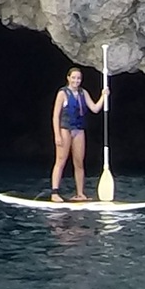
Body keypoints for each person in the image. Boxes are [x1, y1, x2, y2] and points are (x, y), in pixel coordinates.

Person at [49, 67, 107, 201]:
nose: (76, 80)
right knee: (61, 160)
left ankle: (80, 194)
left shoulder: (83, 92)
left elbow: (95, 108)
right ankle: (55, 193)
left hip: (79, 130)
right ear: (68, 78)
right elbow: (55, 116)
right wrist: (57, 135)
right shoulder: (62, 93)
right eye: (74, 77)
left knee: (79, 162)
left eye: (79, 78)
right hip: (65, 129)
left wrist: (104, 96)